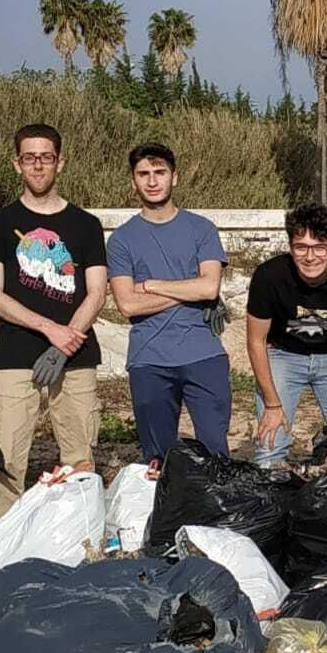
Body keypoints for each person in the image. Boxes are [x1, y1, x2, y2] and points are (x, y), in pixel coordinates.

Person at [0, 123, 108, 545]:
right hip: (15, 358)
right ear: (17, 164)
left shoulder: (85, 224)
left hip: (77, 359)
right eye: (29, 157)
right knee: (5, 461)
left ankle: (79, 551)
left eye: (45, 156)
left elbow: (97, 291)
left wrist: (67, 343)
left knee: (79, 461)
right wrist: (50, 330)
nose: (38, 164)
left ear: (59, 162)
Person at [105, 144, 230, 463]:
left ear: (175, 177)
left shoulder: (202, 229)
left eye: (159, 172)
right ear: (133, 181)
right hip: (149, 358)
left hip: (204, 354)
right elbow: (128, 305)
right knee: (157, 460)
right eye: (143, 174)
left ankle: (216, 514)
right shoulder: (121, 240)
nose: (152, 181)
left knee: (215, 454)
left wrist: (151, 285)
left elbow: (209, 286)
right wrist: (187, 290)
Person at [247, 204, 327, 466]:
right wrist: (272, 404)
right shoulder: (268, 276)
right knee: (270, 445)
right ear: (290, 246)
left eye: (320, 247)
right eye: (301, 247)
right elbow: (255, 341)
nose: (310, 256)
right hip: (283, 354)